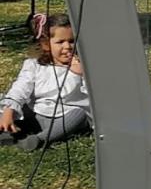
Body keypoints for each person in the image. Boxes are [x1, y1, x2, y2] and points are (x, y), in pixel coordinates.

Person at [0, 14, 92, 152]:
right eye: (60, 42)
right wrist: (9, 110)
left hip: (61, 118)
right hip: (36, 113)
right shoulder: (34, 65)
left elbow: (95, 99)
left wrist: (82, 74)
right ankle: (8, 129)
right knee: (10, 103)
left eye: (72, 41)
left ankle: (40, 139)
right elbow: (21, 88)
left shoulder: (84, 67)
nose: (67, 46)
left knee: (79, 114)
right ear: (46, 44)